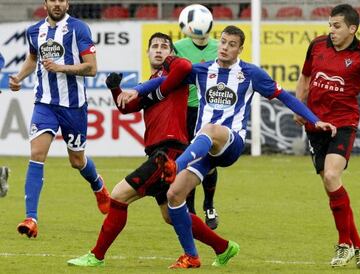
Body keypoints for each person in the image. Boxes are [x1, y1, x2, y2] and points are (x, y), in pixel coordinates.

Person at [125, 25, 337, 268]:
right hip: (203, 148)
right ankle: (193, 256)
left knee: (210, 130)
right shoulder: (202, 71)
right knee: (174, 196)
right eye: (223, 42)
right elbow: (164, 80)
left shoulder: (250, 73)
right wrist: (136, 89)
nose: (225, 47)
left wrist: (314, 120)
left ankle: (175, 165)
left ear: (240, 49)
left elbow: (285, 97)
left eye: (231, 44)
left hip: (230, 142)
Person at [67, 32, 240, 269]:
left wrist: (167, 65)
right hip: (160, 152)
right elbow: (129, 108)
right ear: (147, 52)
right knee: (171, 215)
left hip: (169, 152)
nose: (159, 50)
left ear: (171, 53)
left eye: (164, 47)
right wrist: (115, 90)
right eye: (155, 46)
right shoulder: (153, 79)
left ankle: (96, 256)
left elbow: (184, 65)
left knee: (118, 196)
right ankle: (223, 247)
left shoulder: (176, 74)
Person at [294, 4, 360, 269]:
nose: (331, 30)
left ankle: (343, 245)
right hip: (315, 125)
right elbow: (305, 77)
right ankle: (359, 247)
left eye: (337, 26)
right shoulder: (316, 45)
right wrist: (298, 105)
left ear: (352, 28)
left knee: (331, 175)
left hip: (343, 125)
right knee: (331, 186)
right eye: (330, 25)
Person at [9, 0, 110, 238]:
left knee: (77, 160)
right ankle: (31, 218)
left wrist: (61, 68)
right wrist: (19, 77)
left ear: (68, 3)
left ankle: (98, 185)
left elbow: (91, 68)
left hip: (73, 106)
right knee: (37, 154)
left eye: (62, 0)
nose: (57, 3)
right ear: (45, 3)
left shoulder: (79, 28)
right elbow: (33, 59)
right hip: (44, 103)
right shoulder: (34, 31)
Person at [174, 22, 220, 230]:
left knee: (210, 161)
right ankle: (190, 210)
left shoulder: (219, 47)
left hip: (208, 113)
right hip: (184, 111)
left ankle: (209, 205)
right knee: (188, 161)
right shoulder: (178, 46)